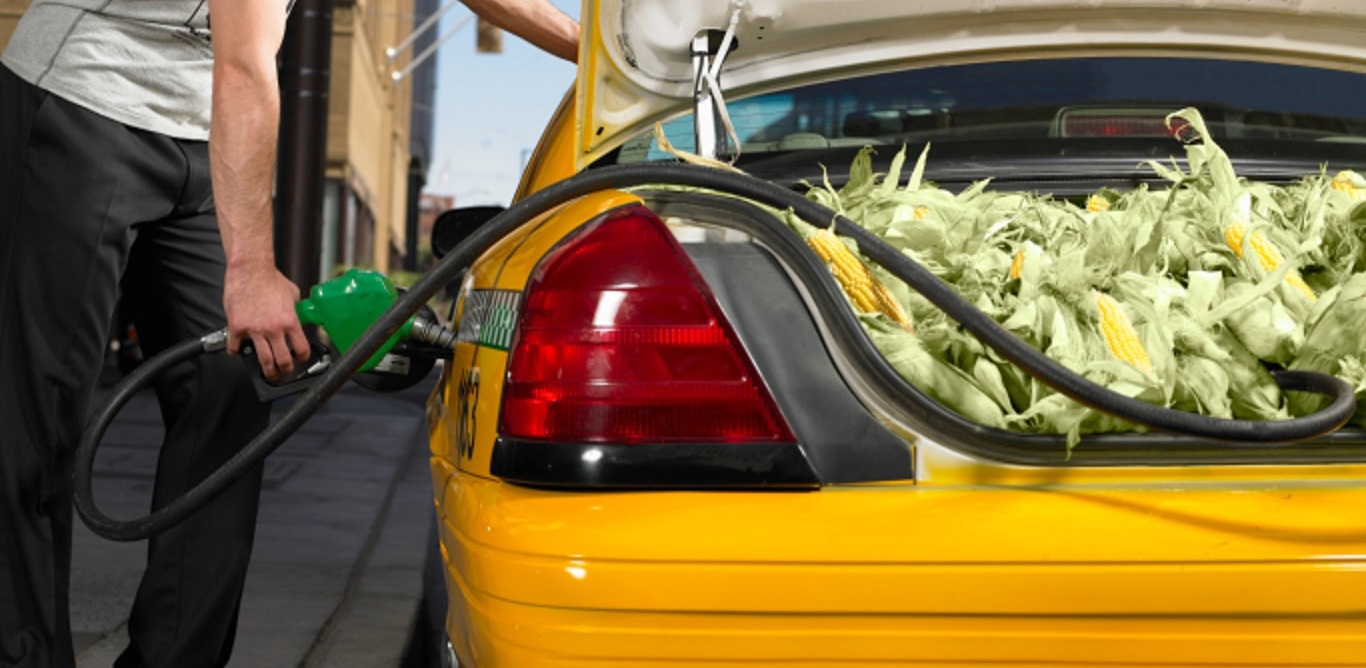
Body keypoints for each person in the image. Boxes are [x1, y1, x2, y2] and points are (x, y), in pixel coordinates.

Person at [0, 0, 578, 666]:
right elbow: (244, 66)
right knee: (36, 418)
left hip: (204, 128)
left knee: (230, 398)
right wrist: (250, 271)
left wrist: (591, 47)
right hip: (84, 98)